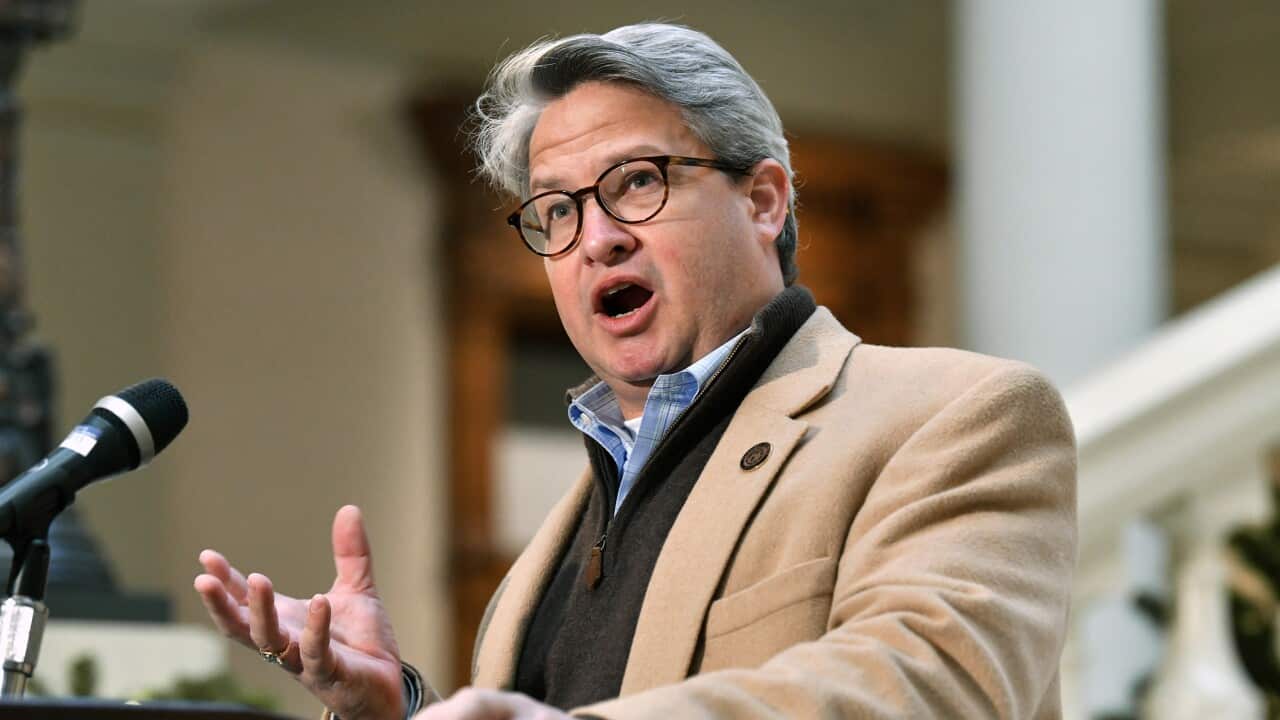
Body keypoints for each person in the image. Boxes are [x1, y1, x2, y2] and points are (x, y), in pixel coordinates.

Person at [194, 23, 1076, 720]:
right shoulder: (536, 567)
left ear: (763, 200)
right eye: (557, 209)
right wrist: (400, 710)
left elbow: (932, 685)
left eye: (638, 182)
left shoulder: (956, 415)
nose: (598, 236)